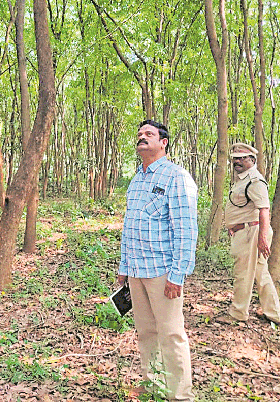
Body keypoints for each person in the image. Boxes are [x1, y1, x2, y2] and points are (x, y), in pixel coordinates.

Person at [116, 120, 197, 402]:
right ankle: (153, 384)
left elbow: (185, 230)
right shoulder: (137, 179)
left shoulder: (177, 177)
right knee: (146, 332)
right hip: (137, 271)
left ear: (163, 142)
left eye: (149, 134)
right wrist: (123, 269)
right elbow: (130, 226)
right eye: (139, 134)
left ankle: (179, 395)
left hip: (163, 273)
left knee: (171, 333)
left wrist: (178, 275)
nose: (142, 138)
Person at [222, 142, 280, 325]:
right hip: (246, 231)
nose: (238, 161)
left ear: (252, 160)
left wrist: (262, 238)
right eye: (235, 159)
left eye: (242, 158)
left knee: (243, 274)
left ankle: (238, 313)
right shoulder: (243, 180)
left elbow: (264, 210)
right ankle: (273, 314)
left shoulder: (255, 181)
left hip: (252, 232)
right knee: (260, 273)